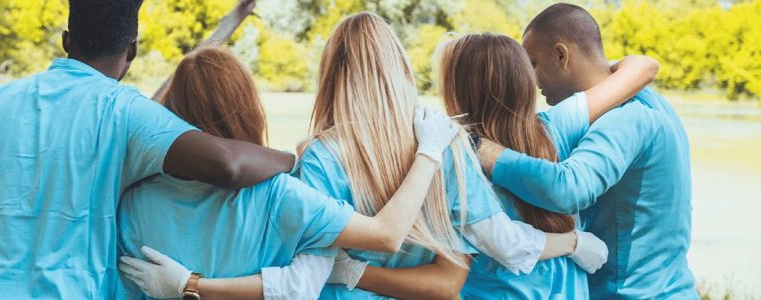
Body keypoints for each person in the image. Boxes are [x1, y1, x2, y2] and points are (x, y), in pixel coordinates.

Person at [122, 12, 608, 300]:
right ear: (397, 67)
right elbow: (504, 244)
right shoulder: (443, 142)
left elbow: (304, 280)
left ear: (331, 74)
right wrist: (573, 244)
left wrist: (193, 286)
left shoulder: (318, 159)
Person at [0, 0, 300, 298]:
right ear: (132, 51)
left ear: (66, 41)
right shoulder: (128, 113)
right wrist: (292, 158)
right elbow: (227, 164)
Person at [115, 46, 459, 300]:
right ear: (249, 107)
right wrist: (428, 150)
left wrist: (188, 286)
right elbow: (385, 235)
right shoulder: (283, 196)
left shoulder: (132, 205)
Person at [476, 4, 696, 299]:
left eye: (534, 64)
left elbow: (570, 188)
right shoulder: (651, 101)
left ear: (561, 55)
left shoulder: (624, 118)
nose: (531, 80)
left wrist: (491, 155)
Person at [438, 33, 659, 299]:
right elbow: (645, 68)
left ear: (457, 89)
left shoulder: (452, 157)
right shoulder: (557, 126)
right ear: (522, 81)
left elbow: (501, 241)